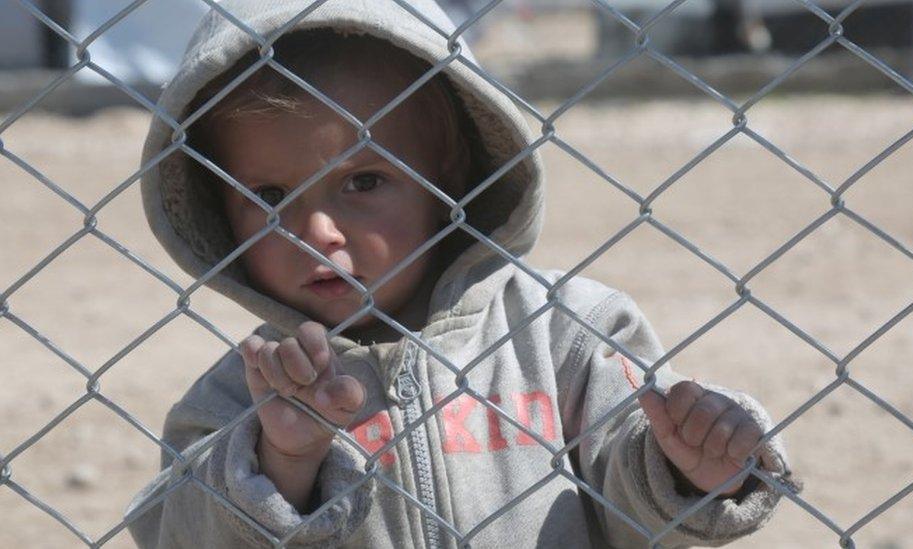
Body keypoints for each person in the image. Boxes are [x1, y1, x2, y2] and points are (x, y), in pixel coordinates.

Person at [126, 0, 800, 547]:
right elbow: (176, 533)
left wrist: (692, 468)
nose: (317, 232)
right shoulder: (233, 401)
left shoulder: (565, 332)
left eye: (362, 181)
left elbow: (638, 492)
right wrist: (280, 464)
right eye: (269, 198)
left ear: (448, 180)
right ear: (216, 208)